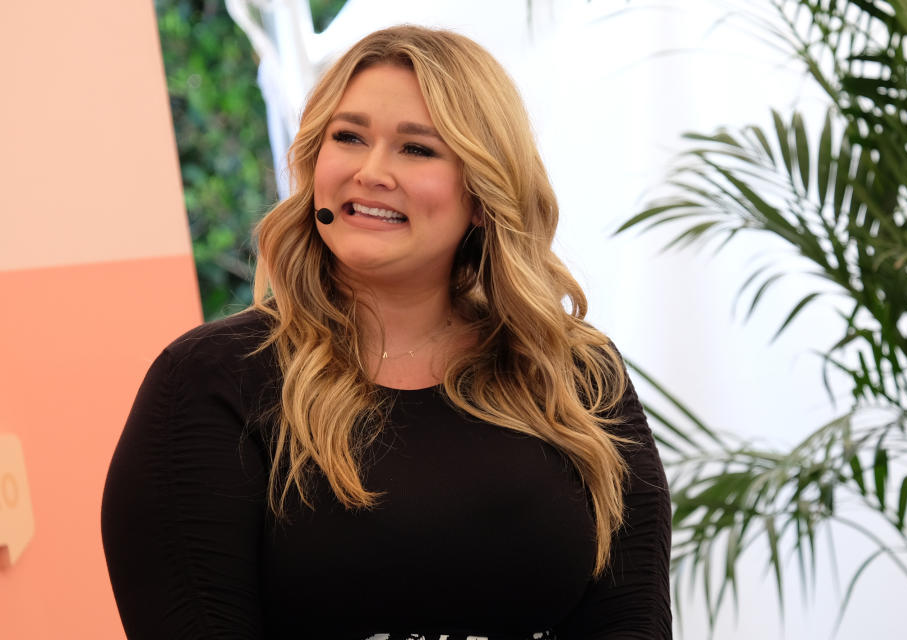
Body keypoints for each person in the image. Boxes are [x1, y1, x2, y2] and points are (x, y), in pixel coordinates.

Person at [101, 25, 671, 640]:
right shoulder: (211, 381)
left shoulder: (574, 374)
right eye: (348, 138)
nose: (372, 172)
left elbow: (630, 618)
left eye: (416, 149)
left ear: (482, 194)